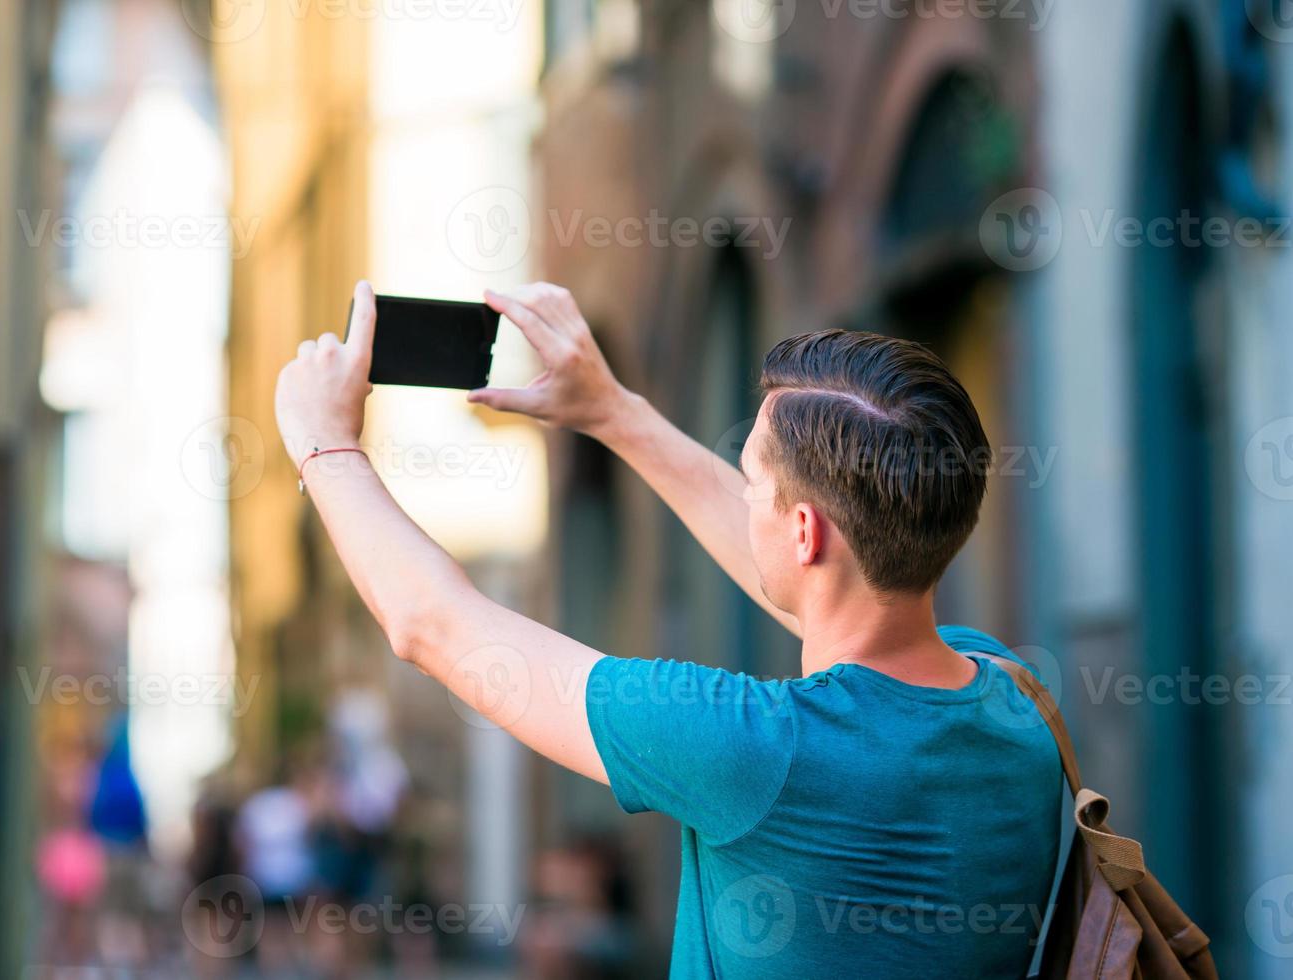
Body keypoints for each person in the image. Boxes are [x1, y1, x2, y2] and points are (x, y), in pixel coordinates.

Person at [273, 281, 1060, 978]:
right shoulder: (1014, 700)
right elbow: (811, 583)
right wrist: (612, 412)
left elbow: (432, 626)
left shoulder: (756, 748)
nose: (741, 496)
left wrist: (324, 445)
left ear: (805, 534)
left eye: (751, 481)